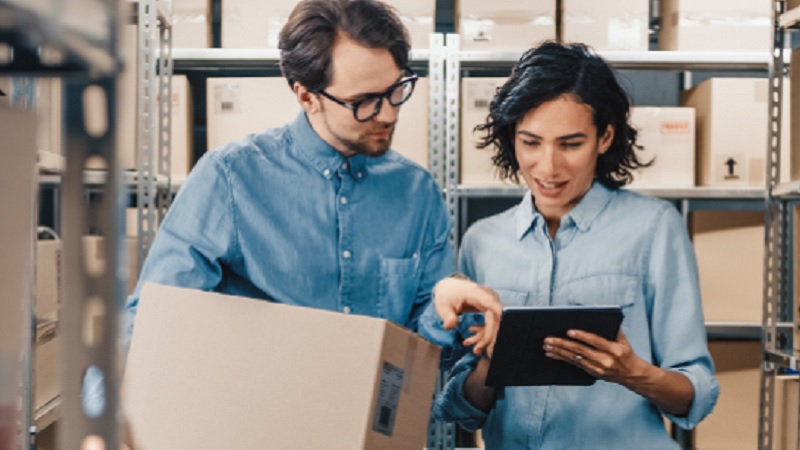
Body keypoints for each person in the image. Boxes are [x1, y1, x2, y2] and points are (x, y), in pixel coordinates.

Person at [121, 0, 498, 354]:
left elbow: (424, 340)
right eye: (364, 101)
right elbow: (152, 322)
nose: (388, 114)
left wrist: (442, 306)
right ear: (306, 97)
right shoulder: (230, 180)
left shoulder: (418, 193)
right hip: (261, 417)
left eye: (396, 89)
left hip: (378, 421)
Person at [431, 41, 719, 449]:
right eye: (530, 142)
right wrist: (492, 362)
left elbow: (697, 394)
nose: (548, 167)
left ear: (604, 138)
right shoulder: (482, 241)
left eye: (570, 144)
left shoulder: (654, 228)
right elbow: (463, 411)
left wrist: (631, 371)